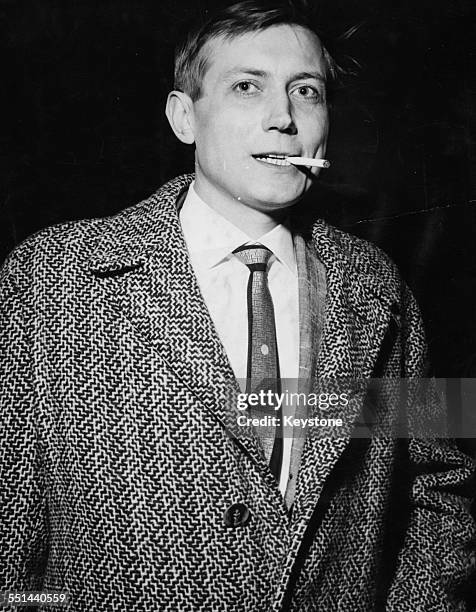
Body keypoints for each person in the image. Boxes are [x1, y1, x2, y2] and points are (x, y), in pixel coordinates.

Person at [0, 2, 474, 610]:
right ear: (183, 118)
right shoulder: (52, 274)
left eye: (307, 91)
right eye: (247, 87)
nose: (284, 118)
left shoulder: (381, 287)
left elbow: (440, 488)